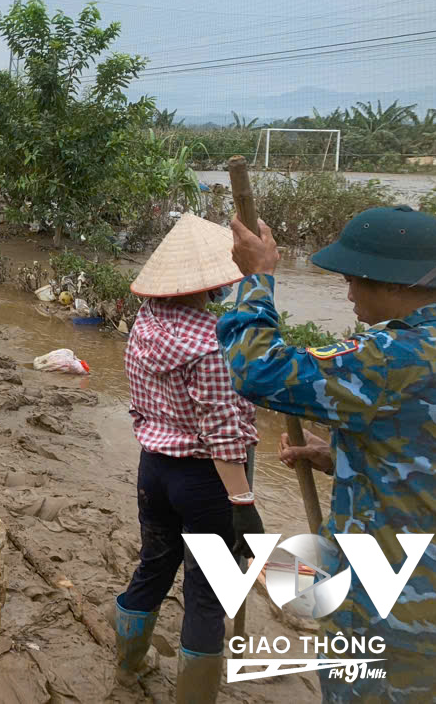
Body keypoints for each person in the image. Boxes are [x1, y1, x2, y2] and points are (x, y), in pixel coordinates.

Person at [219, 206, 436, 704]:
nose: (348, 295)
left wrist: (257, 279)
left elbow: (257, 370)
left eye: (354, 281)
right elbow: (435, 450)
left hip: (395, 609)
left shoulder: (392, 354)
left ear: (394, 284)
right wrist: (342, 456)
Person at [113, 214, 262, 703]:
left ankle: (129, 667)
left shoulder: (146, 322)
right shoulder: (215, 343)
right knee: (207, 593)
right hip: (206, 480)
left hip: (154, 468)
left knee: (153, 566)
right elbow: (222, 436)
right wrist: (243, 502)